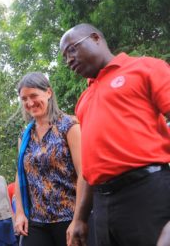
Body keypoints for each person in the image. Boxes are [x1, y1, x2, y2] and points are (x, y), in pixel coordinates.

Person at [60, 23, 170, 246]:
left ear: (95, 38)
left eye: (72, 49)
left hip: (147, 192)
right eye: (64, 57)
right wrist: (80, 218)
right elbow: (92, 166)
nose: (69, 60)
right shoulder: (83, 100)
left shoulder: (145, 68)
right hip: (103, 206)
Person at [14, 72, 83, 246]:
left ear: (49, 93)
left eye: (34, 96)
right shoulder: (25, 135)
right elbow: (20, 174)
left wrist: (79, 219)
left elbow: (84, 174)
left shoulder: (69, 126)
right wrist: (20, 213)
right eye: (24, 99)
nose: (30, 103)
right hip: (37, 220)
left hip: (69, 216)